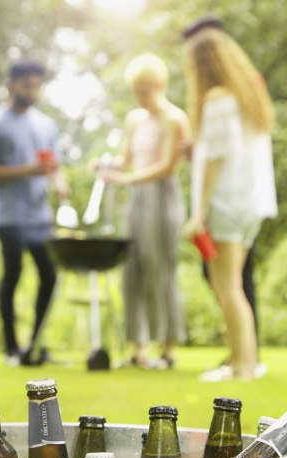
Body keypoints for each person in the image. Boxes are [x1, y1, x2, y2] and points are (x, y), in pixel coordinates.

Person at [182, 25, 277, 381]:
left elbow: (214, 159)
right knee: (233, 286)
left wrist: (199, 213)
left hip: (226, 205)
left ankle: (241, 366)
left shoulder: (218, 98)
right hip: (250, 204)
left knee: (228, 287)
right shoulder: (246, 98)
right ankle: (246, 363)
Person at [0, 59, 69, 366]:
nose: (33, 91)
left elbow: (54, 166)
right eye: (27, 85)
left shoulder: (46, 124)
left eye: (37, 85)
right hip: (10, 215)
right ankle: (12, 347)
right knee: (12, 276)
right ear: (11, 84)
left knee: (49, 277)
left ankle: (35, 346)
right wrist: (28, 170)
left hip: (40, 216)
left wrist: (59, 184)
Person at [98, 53, 190, 369]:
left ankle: (167, 350)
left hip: (162, 200)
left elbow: (166, 166)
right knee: (133, 270)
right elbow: (125, 161)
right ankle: (137, 350)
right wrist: (106, 166)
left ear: (158, 85)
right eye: (137, 90)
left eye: (145, 89)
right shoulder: (134, 119)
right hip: (137, 199)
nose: (140, 96)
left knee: (160, 270)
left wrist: (125, 178)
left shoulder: (174, 118)